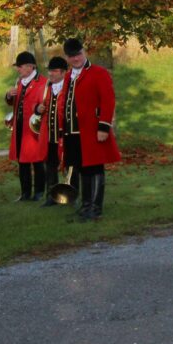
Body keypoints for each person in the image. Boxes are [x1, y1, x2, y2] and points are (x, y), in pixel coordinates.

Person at [56, 38, 120, 221]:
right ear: (67, 58)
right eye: (72, 56)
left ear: (84, 52)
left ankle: (96, 207)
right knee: (81, 169)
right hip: (73, 133)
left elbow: (108, 101)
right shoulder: (68, 76)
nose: (76, 58)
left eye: (78, 54)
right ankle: (85, 205)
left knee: (95, 169)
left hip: (92, 131)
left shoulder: (98, 73)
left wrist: (104, 126)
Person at [5, 51, 47, 201]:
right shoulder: (19, 82)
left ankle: (39, 191)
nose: (18, 69)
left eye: (20, 66)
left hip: (34, 128)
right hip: (20, 127)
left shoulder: (42, 82)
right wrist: (9, 96)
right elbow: (14, 103)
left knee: (37, 161)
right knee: (22, 161)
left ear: (30, 67)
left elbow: (44, 104)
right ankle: (25, 193)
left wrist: (37, 109)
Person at [39, 56, 68, 207]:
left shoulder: (69, 88)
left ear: (63, 72)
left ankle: (70, 195)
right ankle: (51, 196)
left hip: (65, 136)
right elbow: (38, 106)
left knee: (69, 167)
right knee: (50, 167)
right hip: (50, 137)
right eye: (49, 71)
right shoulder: (47, 88)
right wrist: (38, 109)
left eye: (54, 71)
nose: (51, 74)